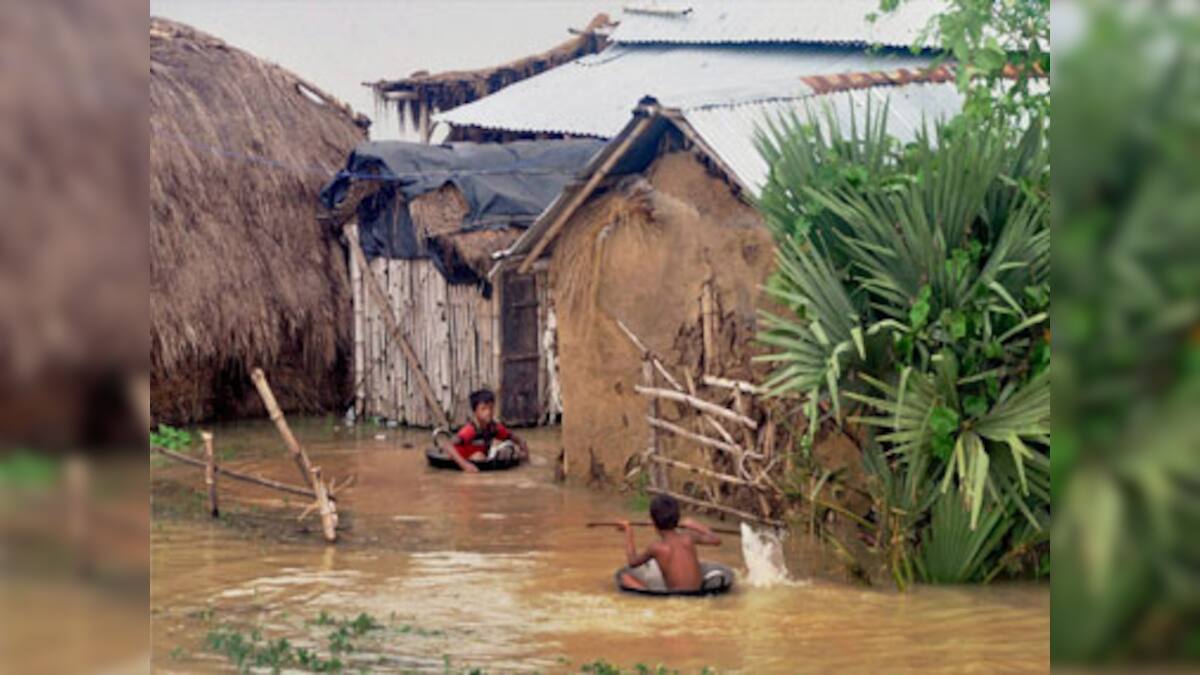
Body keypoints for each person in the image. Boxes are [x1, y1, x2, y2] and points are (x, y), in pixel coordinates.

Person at [618, 494, 721, 592]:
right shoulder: (688, 538)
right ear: (677, 519)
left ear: (653, 522)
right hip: (698, 593)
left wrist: (628, 531)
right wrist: (695, 525)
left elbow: (632, 562)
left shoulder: (656, 548)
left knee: (625, 578)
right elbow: (716, 540)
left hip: (676, 597)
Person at [441, 388, 529, 473]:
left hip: (481, 459)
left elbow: (519, 440)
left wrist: (525, 457)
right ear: (475, 412)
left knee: (509, 451)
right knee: (479, 456)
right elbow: (447, 445)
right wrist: (464, 465)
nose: (488, 412)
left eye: (491, 408)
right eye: (483, 409)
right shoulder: (470, 430)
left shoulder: (494, 428)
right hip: (461, 459)